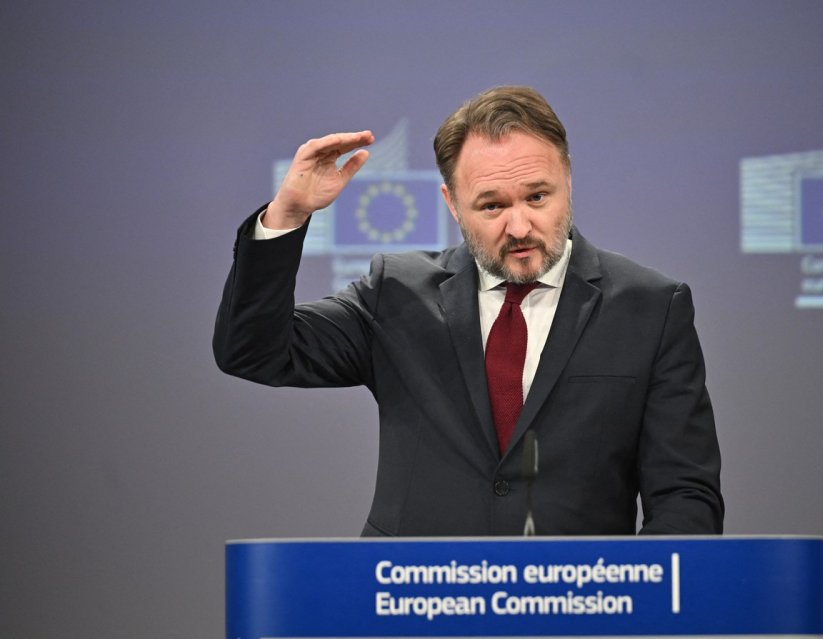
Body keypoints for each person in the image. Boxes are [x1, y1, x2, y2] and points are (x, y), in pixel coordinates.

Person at [214, 86, 723, 536]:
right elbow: (254, 352)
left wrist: (638, 596)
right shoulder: (397, 294)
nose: (519, 227)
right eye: (492, 206)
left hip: (577, 601)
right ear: (452, 204)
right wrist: (287, 215)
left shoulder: (650, 307)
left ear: (567, 181)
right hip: (416, 597)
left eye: (537, 196)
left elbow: (685, 496)